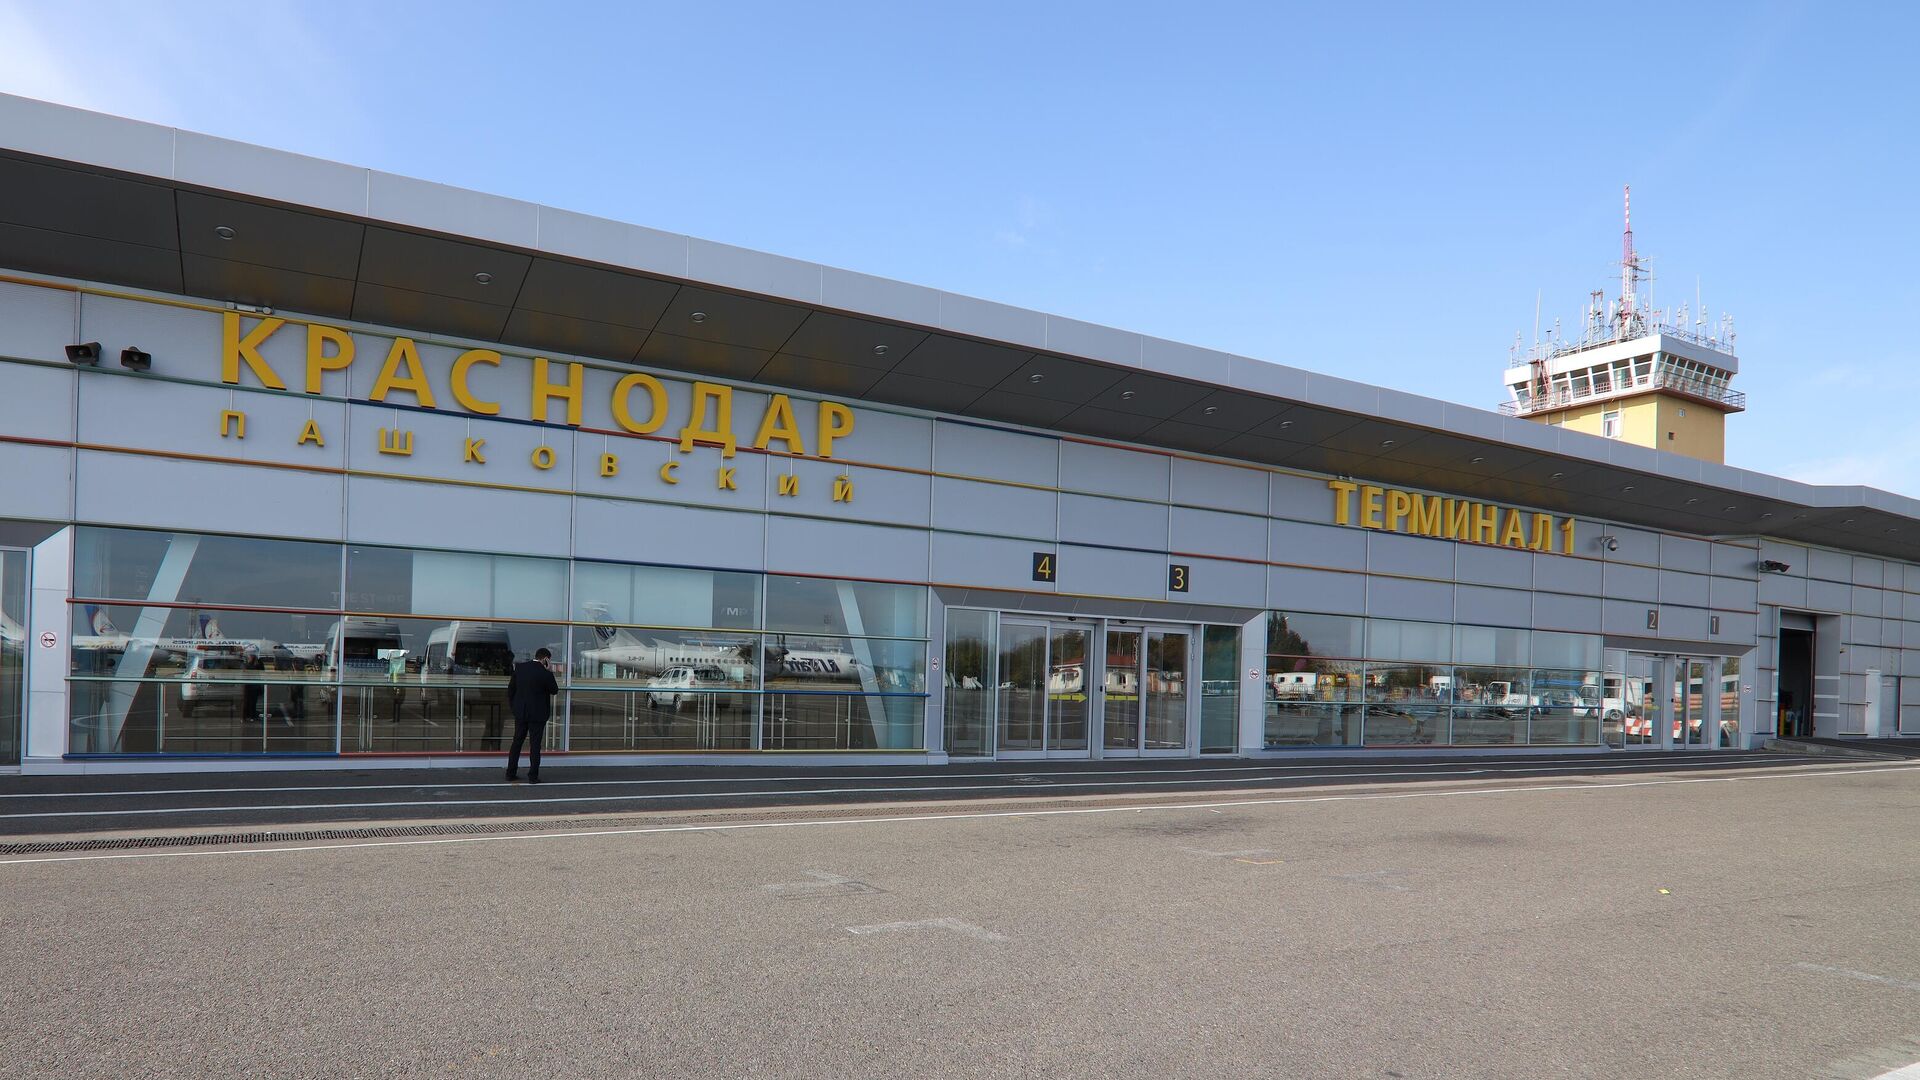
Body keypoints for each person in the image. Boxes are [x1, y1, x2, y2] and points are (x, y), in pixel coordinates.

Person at [505, 647, 559, 783]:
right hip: (538, 714)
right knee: (535, 745)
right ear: (546, 659)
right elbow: (554, 690)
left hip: (521, 712)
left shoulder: (520, 668)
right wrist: (550, 671)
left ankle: (510, 772)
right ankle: (533, 776)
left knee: (517, 742)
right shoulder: (545, 672)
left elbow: (511, 690)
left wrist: (514, 707)